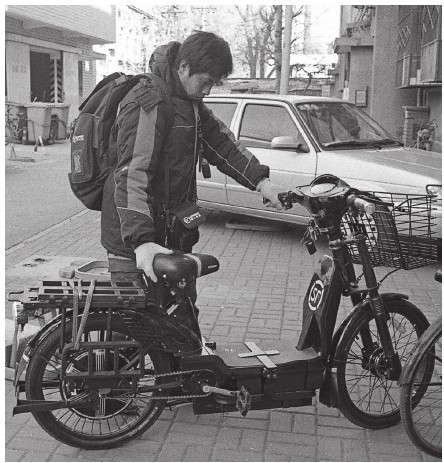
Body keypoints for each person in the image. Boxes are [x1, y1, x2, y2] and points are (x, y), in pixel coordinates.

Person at [101, 31, 283, 307]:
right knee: (138, 323)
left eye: (214, 83)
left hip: (170, 234)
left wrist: (262, 182)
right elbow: (131, 175)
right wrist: (141, 242)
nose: (208, 90)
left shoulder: (191, 104)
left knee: (180, 319)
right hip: (133, 242)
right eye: (206, 81)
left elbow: (223, 144)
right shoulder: (148, 101)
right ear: (184, 67)